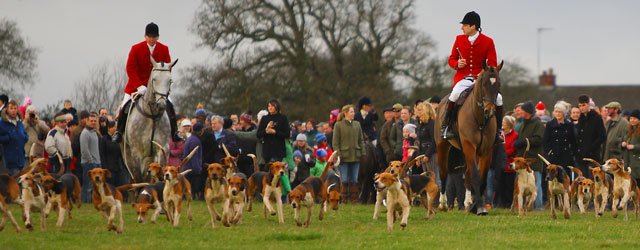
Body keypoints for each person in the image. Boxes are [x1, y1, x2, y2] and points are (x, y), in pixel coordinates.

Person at [113, 22, 181, 143]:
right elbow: (130, 68)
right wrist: (139, 86)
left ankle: (175, 132)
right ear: (145, 36)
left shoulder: (164, 49)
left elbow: (167, 68)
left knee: (170, 105)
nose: (151, 39)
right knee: (125, 106)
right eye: (149, 36)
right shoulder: (136, 48)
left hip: (158, 88)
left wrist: (160, 85)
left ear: (158, 37)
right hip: (135, 87)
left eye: (154, 37)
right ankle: (118, 132)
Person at [441, 11, 503, 141]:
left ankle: (498, 131)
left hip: (481, 79)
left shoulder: (488, 41)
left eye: (464, 25)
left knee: (499, 99)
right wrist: (457, 63)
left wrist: (484, 72)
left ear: (473, 26)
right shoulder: (459, 39)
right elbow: (451, 59)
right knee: (455, 94)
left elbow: (492, 63)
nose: (462, 27)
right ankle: (447, 126)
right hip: (463, 78)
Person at [513, 101, 544, 209]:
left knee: (536, 185)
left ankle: (538, 207)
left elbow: (539, 139)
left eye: (522, 109)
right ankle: (524, 207)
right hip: (523, 161)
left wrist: (524, 142)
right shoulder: (523, 123)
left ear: (527, 111)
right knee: (522, 186)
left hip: (534, 160)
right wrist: (518, 142)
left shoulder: (537, 123)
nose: (520, 111)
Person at [332, 104, 365, 203]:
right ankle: (344, 199)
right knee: (345, 179)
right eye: (351, 112)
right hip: (344, 157)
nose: (353, 113)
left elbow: (361, 140)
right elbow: (335, 143)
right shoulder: (338, 125)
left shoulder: (357, 124)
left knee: (354, 179)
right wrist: (338, 155)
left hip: (356, 155)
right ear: (345, 113)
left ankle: (354, 199)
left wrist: (363, 152)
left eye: (353, 112)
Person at [575, 95, 606, 178]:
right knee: (582, 181)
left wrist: (591, 148)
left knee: (592, 181)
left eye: (583, 105)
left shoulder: (596, 118)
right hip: (580, 157)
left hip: (592, 157)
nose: (581, 108)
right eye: (580, 106)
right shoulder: (581, 118)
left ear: (588, 105)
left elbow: (602, 136)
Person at [542, 101, 577, 170]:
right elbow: (545, 140)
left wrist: (571, 153)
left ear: (563, 113)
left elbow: (573, 141)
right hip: (553, 156)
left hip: (566, 156)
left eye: (560, 112)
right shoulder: (550, 124)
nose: (557, 114)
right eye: (556, 111)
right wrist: (549, 152)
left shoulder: (569, 125)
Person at [0, 100, 28, 176]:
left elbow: (24, 133)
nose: (13, 110)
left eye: (15, 108)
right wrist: (8, 137)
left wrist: (25, 137)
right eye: (11, 108)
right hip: (9, 161)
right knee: (14, 185)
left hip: (21, 160)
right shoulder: (2, 123)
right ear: (7, 110)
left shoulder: (19, 122)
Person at [495, 116, 517, 208]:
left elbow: (513, 149)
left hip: (509, 163)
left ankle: (509, 203)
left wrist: (502, 153)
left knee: (509, 186)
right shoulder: (500, 134)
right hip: (500, 163)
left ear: (508, 124)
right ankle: (500, 203)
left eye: (503, 122)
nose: (502, 123)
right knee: (500, 184)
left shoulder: (515, 135)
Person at [99, 120, 128, 187]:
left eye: (116, 127)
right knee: (110, 187)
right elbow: (102, 155)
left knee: (120, 187)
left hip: (119, 168)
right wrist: (105, 169)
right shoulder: (104, 139)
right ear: (109, 128)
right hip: (109, 169)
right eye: (114, 127)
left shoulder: (118, 139)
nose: (115, 129)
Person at [80, 113, 101, 202]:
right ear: (87, 121)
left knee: (95, 186)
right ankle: (85, 202)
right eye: (91, 121)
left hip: (97, 163)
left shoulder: (94, 132)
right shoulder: (85, 133)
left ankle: (92, 201)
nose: (93, 122)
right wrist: (91, 162)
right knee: (88, 185)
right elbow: (84, 150)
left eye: (95, 121)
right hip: (88, 163)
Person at [182, 122, 204, 200]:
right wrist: (197, 169)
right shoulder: (195, 141)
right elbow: (194, 156)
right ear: (200, 130)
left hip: (187, 167)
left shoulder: (191, 139)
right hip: (191, 169)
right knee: (191, 188)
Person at [414, 101, 437, 175]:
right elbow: (420, 142)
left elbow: (434, 140)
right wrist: (418, 157)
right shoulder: (422, 125)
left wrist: (428, 154)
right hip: (423, 155)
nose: (418, 112)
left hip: (431, 155)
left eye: (420, 110)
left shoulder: (432, 123)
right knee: (427, 179)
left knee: (435, 178)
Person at [622, 110, 640, 183]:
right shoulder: (629, 130)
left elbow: (635, 146)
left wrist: (634, 147)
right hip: (629, 163)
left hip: (637, 164)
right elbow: (624, 141)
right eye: (631, 118)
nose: (632, 120)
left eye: (635, 118)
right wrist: (623, 144)